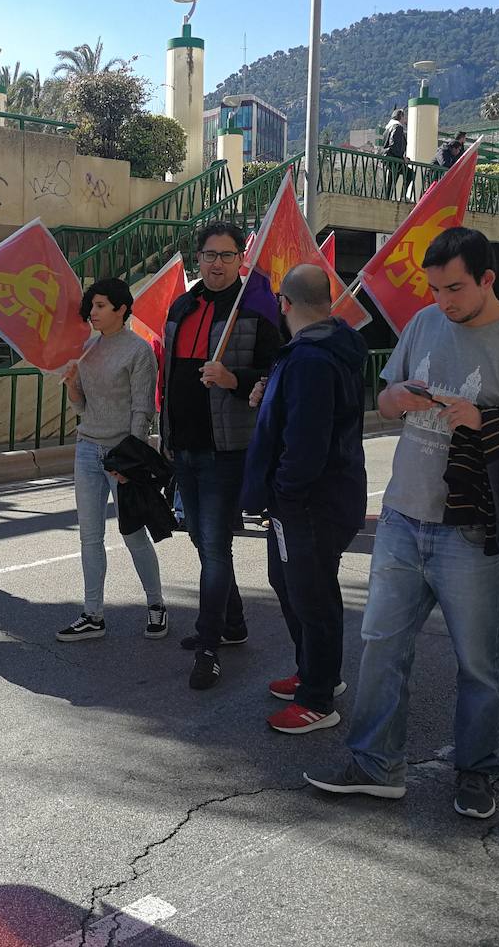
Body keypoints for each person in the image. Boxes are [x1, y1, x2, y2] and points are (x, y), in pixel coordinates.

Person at [304, 227, 499, 819]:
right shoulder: (425, 324)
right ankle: (375, 765)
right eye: (433, 289)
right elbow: (383, 402)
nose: (442, 302)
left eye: (454, 288)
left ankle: (477, 772)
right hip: (403, 515)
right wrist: (396, 397)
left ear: (487, 280)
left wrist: (483, 421)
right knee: (381, 646)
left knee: (479, 661)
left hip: (474, 530)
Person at [242, 265, 367, 733]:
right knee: (299, 585)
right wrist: (269, 393)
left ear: (285, 303)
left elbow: (307, 442)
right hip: (323, 497)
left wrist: (284, 495)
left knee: (309, 595)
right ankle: (317, 673)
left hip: (310, 502)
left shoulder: (310, 358)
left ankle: (317, 696)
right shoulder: (322, 347)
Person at [163, 221, 282, 690]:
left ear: (240, 261)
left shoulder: (256, 309)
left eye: (226, 255)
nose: (217, 263)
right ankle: (233, 623)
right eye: (209, 255)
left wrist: (233, 378)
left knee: (214, 547)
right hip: (184, 447)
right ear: (198, 258)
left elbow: (277, 371)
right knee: (199, 539)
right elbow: (169, 377)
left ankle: (209, 642)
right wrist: (165, 437)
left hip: (227, 450)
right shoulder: (181, 306)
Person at [55, 277, 165, 643]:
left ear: (121, 309)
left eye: (101, 306)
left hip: (122, 454)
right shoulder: (86, 349)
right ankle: (92, 614)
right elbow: (82, 406)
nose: (93, 312)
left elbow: (142, 409)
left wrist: (129, 459)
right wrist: (72, 384)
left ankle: (156, 605)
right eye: (92, 306)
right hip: (87, 449)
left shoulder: (138, 351)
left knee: (133, 533)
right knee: (89, 537)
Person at [382, 108, 408, 200]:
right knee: (409, 174)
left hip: (388, 157)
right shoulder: (398, 127)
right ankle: (402, 196)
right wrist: (402, 157)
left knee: (391, 179)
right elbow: (395, 144)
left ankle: (387, 197)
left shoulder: (388, 128)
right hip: (394, 158)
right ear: (401, 116)